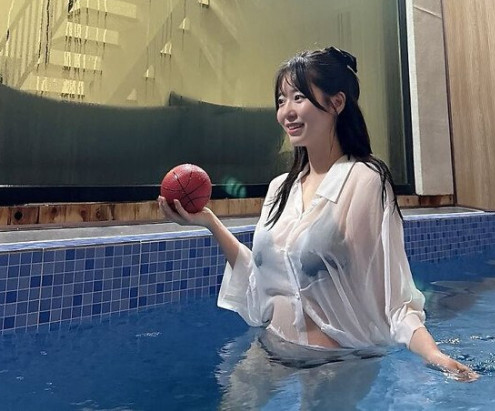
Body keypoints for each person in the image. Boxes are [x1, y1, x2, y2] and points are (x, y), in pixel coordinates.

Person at [158, 47, 478, 386]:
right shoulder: (281, 188)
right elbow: (262, 278)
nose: (286, 112)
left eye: (298, 97)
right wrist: (209, 222)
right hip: (271, 349)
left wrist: (434, 355)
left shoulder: (364, 180)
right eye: (281, 100)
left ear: (336, 103)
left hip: (337, 363)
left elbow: (393, 296)